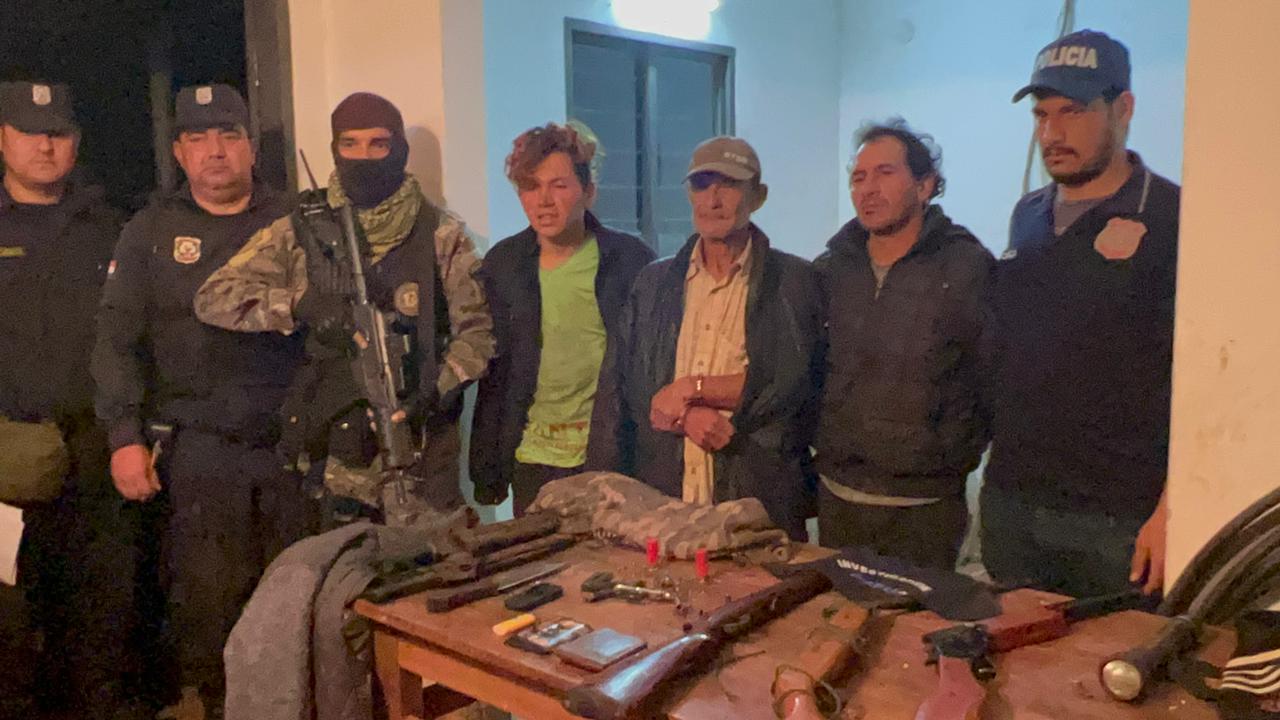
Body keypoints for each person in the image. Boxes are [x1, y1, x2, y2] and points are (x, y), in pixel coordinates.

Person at [91, 84, 307, 714]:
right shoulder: (151, 231)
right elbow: (116, 343)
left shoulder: (294, 222)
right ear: (180, 153)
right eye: (199, 138)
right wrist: (124, 437)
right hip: (200, 452)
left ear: (250, 146)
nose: (216, 150)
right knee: (210, 604)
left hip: (289, 446)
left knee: (294, 598)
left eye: (229, 135)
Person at [195, 92, 494, 523]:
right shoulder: (305, 227)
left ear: (399, 149)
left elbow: (478, 334)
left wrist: (435, 389)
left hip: (421, 452)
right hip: (332, 458)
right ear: (334, 148)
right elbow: (213, 297)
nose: (364, 157)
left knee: (433, 558)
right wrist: (297, 304)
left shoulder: (441, 235)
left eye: (378, 144)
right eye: (350, 144)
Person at [983, 29, 1180, 597]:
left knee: (1115, 654)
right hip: (1015, 504)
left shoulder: (1171, 215)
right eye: (1041, 115)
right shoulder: (1029, 214)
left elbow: (1203, 379)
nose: (1051, 133)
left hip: (1117, 519)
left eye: (1072, 112)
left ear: (1124, 109)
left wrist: (1172, 509)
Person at [590, 136, 823, 539]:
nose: (713, 199)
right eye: (701, 185)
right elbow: (628, 389)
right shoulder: (653, 283)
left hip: (757, 502)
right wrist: (688, 417)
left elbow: (790, 386)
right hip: (664, 502)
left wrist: (690, 388)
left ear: (758, 196)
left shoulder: (795, 282)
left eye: (729, 184)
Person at [0, 79, 138, 719]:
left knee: (101, 613)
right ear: (3, 139)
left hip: (95, 447)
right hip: (8, 451)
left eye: (57, 133)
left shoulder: (114, 227)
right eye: (30, 132)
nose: (45, 146)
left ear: (76, 142)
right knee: (13, 617)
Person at [812, 120, 993, 570]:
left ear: (924, 185)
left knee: (917, 616)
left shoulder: (967, 268)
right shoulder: (831, 269)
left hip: (925, 509)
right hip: (839, 498)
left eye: (885, 173)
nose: (868, 189)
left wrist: (951, 451)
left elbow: (992, 378)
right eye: (859, 177)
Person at [470, 122, 653, 513]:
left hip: (608, 453)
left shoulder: (629, 262)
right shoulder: (504, 265)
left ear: (588, 191)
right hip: (532, 456)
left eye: (559, 185)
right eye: (530, 187)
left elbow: (649, 366)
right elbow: (496, 375)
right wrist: (487, 468)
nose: (544, 201)